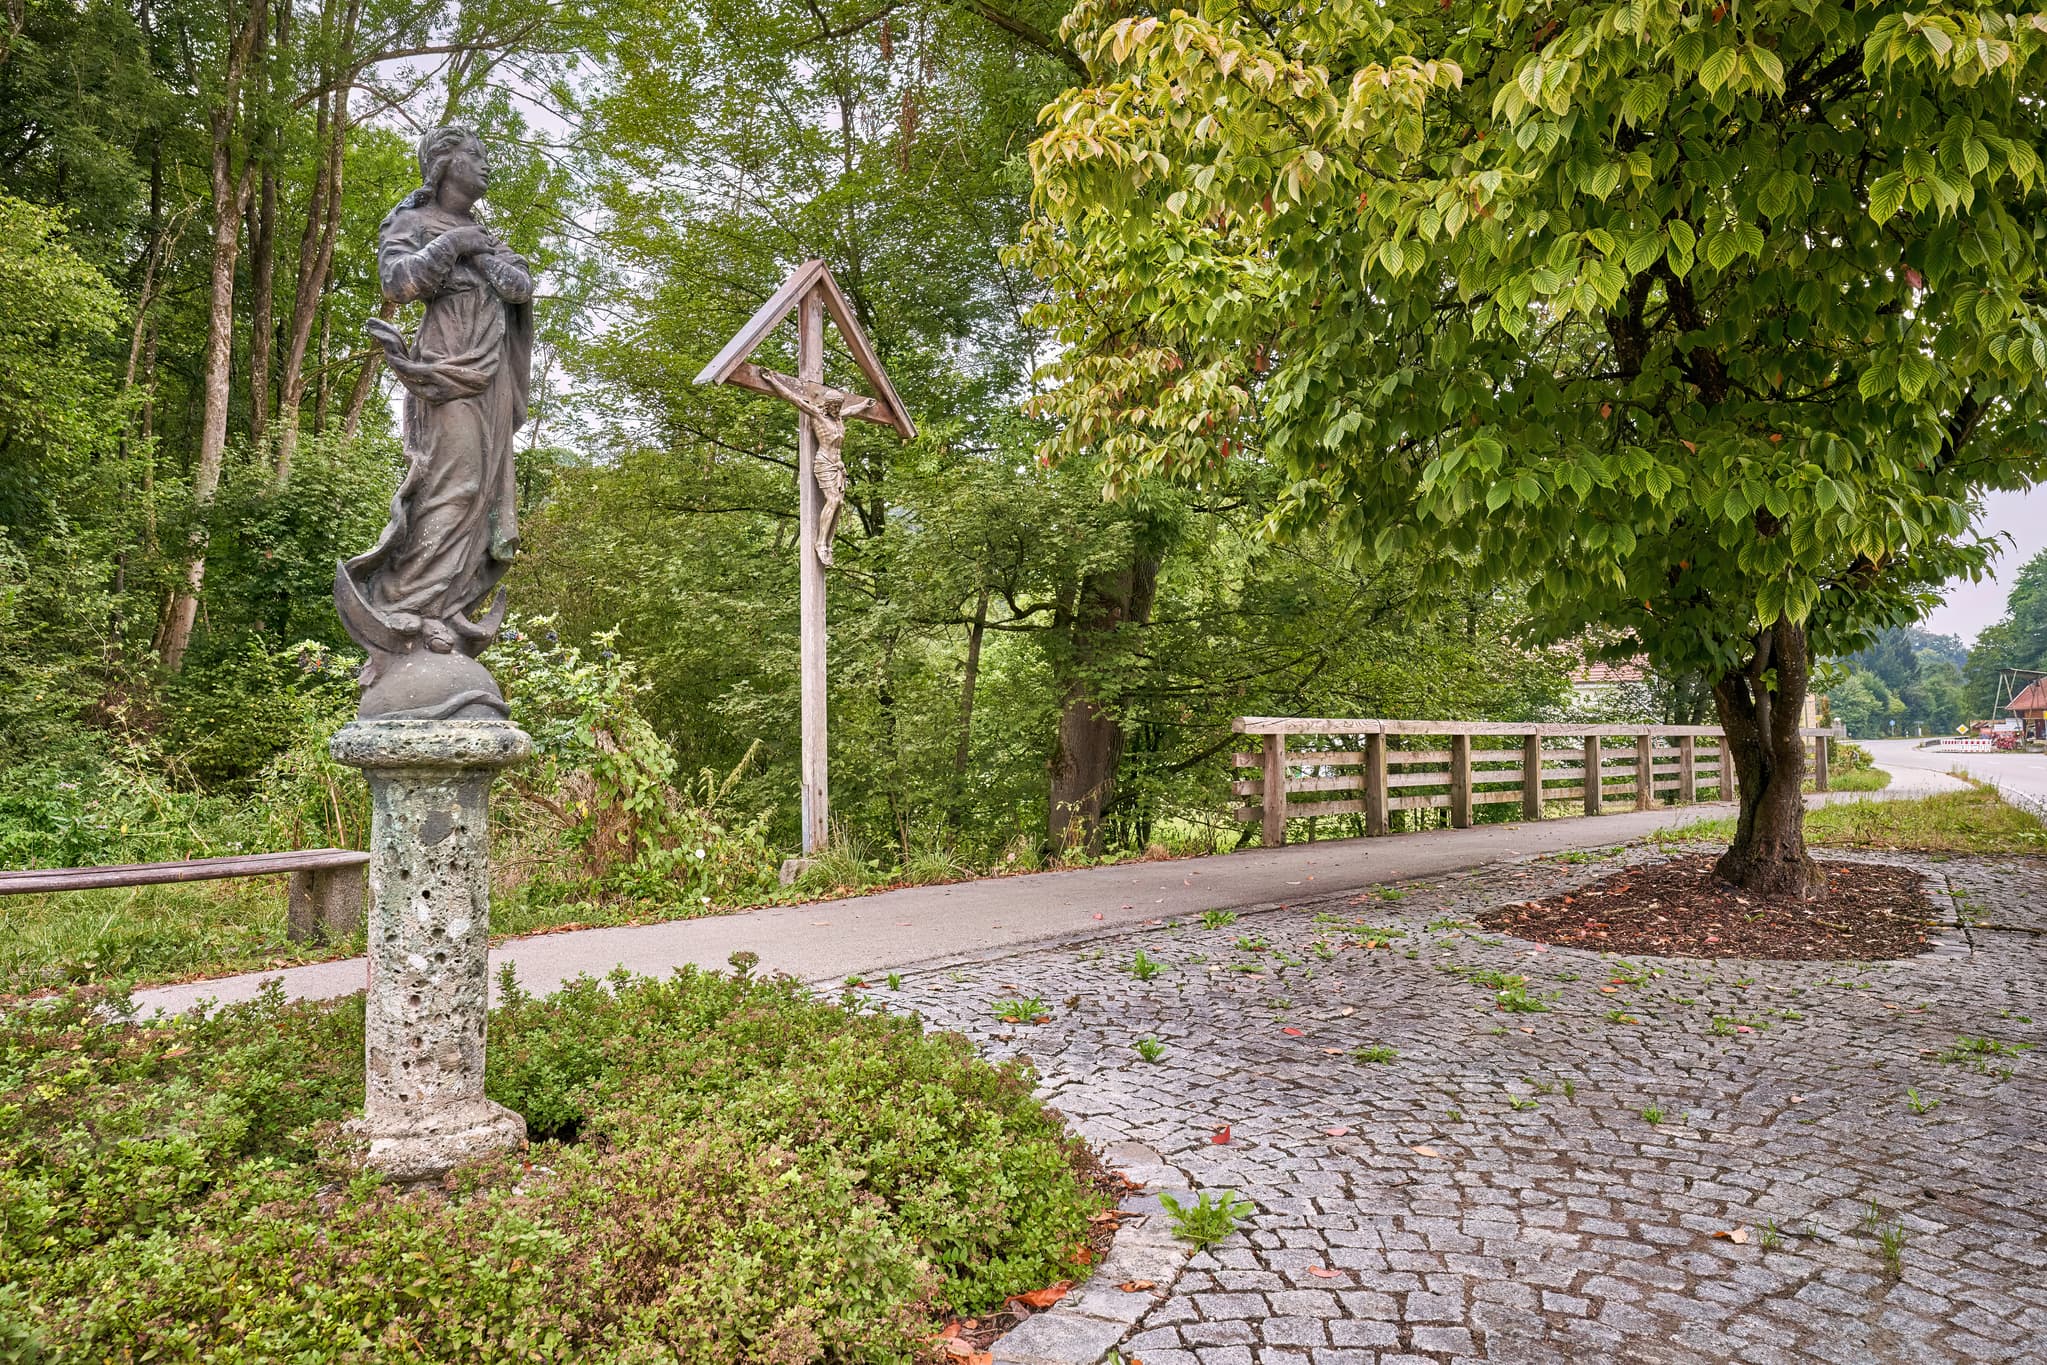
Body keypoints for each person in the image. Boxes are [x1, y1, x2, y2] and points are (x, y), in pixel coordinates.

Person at [340, 126, 531, 682]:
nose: (487, 167)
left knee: (483, 498)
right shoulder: (413, 223)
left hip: (492, 376)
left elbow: (520, 287)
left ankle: (443, 606)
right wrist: (454, 245)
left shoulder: (486, 234)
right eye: (478, 157)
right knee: (455, 486)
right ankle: (403, 602)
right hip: (446, 372)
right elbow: (399, 284)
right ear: (445, 165)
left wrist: (490, 257)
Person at [762, 371, 874, 566]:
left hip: (839, 466)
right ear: (828, 405)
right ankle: (820, 543)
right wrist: (773, 381)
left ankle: (828, 543)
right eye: (835, 406)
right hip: (825, 463)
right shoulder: (817, 415)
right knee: (832, 500)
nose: (838, 409)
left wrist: (864, 404)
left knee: (838, 503)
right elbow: (793, 398)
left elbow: (852, 410)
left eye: (840, 406)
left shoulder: (839, 418)